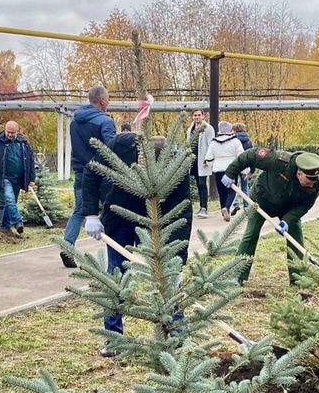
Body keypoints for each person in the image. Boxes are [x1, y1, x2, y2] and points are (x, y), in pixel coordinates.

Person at [81, 134, 193, 355]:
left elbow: (183, 211)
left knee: (170, 278)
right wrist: (91, 214)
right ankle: (114, 339)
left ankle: (178, 336)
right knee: (116, 274)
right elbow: (91, 172)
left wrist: (176, 258)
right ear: (139, 154)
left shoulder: (178, 166)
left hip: (158, 220)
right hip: (119, 214)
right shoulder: (120, 147)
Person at [221, 149, 319, 285]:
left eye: (314, 182)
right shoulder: (279, 161)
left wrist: (287, 221)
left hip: (289, 208)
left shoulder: (317, 183)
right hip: (261, 200)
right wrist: (230, 172)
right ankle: (237, 275)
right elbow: (250, 155)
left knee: (296, 238)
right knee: (250, 234)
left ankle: (298, 278)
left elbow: (305, 206)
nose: (311, 185)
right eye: (308, 181)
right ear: (299, 172)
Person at [61, 85, 116, 267]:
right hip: (101, 174)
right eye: (107, 99)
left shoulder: (75, 122)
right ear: (101, 100)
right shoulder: (105, 122)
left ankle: (67, 246)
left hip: (80, 172)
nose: (108, 102)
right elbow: (111, 149)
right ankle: (115, 258)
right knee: (112, 210)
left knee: (79, 210)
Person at [0, 120, 37, 235]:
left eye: (12, 133)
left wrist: (32, 179)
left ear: (17, 132)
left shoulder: (23, 143)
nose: (10, 135)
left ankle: (4, 227)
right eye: (8, 132)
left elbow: (30, 161)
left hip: (18, 179)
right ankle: (18, 222)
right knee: (9, 199)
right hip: (3, 177)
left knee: (11, 203)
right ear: (5, 130)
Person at [206, 121, 245, 220]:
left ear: (219, 130)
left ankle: (223, 209)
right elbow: (241, 156)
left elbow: (209, 157)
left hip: (218, 169)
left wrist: (212, 166)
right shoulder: (235, 141)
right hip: (231, 169)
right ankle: (227, 208)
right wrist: (245, 170)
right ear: (231, 130)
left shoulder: (214, 142)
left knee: (221, 191)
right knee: (232, 190)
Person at [187, 109, 213, 218]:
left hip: (203, 160)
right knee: (197, 183)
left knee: (202, 183)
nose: (197, 117)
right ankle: (200, 207)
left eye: (199, 115)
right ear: (192, 117)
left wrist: (208, 159)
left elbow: (211, 144)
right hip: (193, 160)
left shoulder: (208, 128)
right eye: (195, 115)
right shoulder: (190, 129)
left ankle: (204, 208)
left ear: (203, 116)